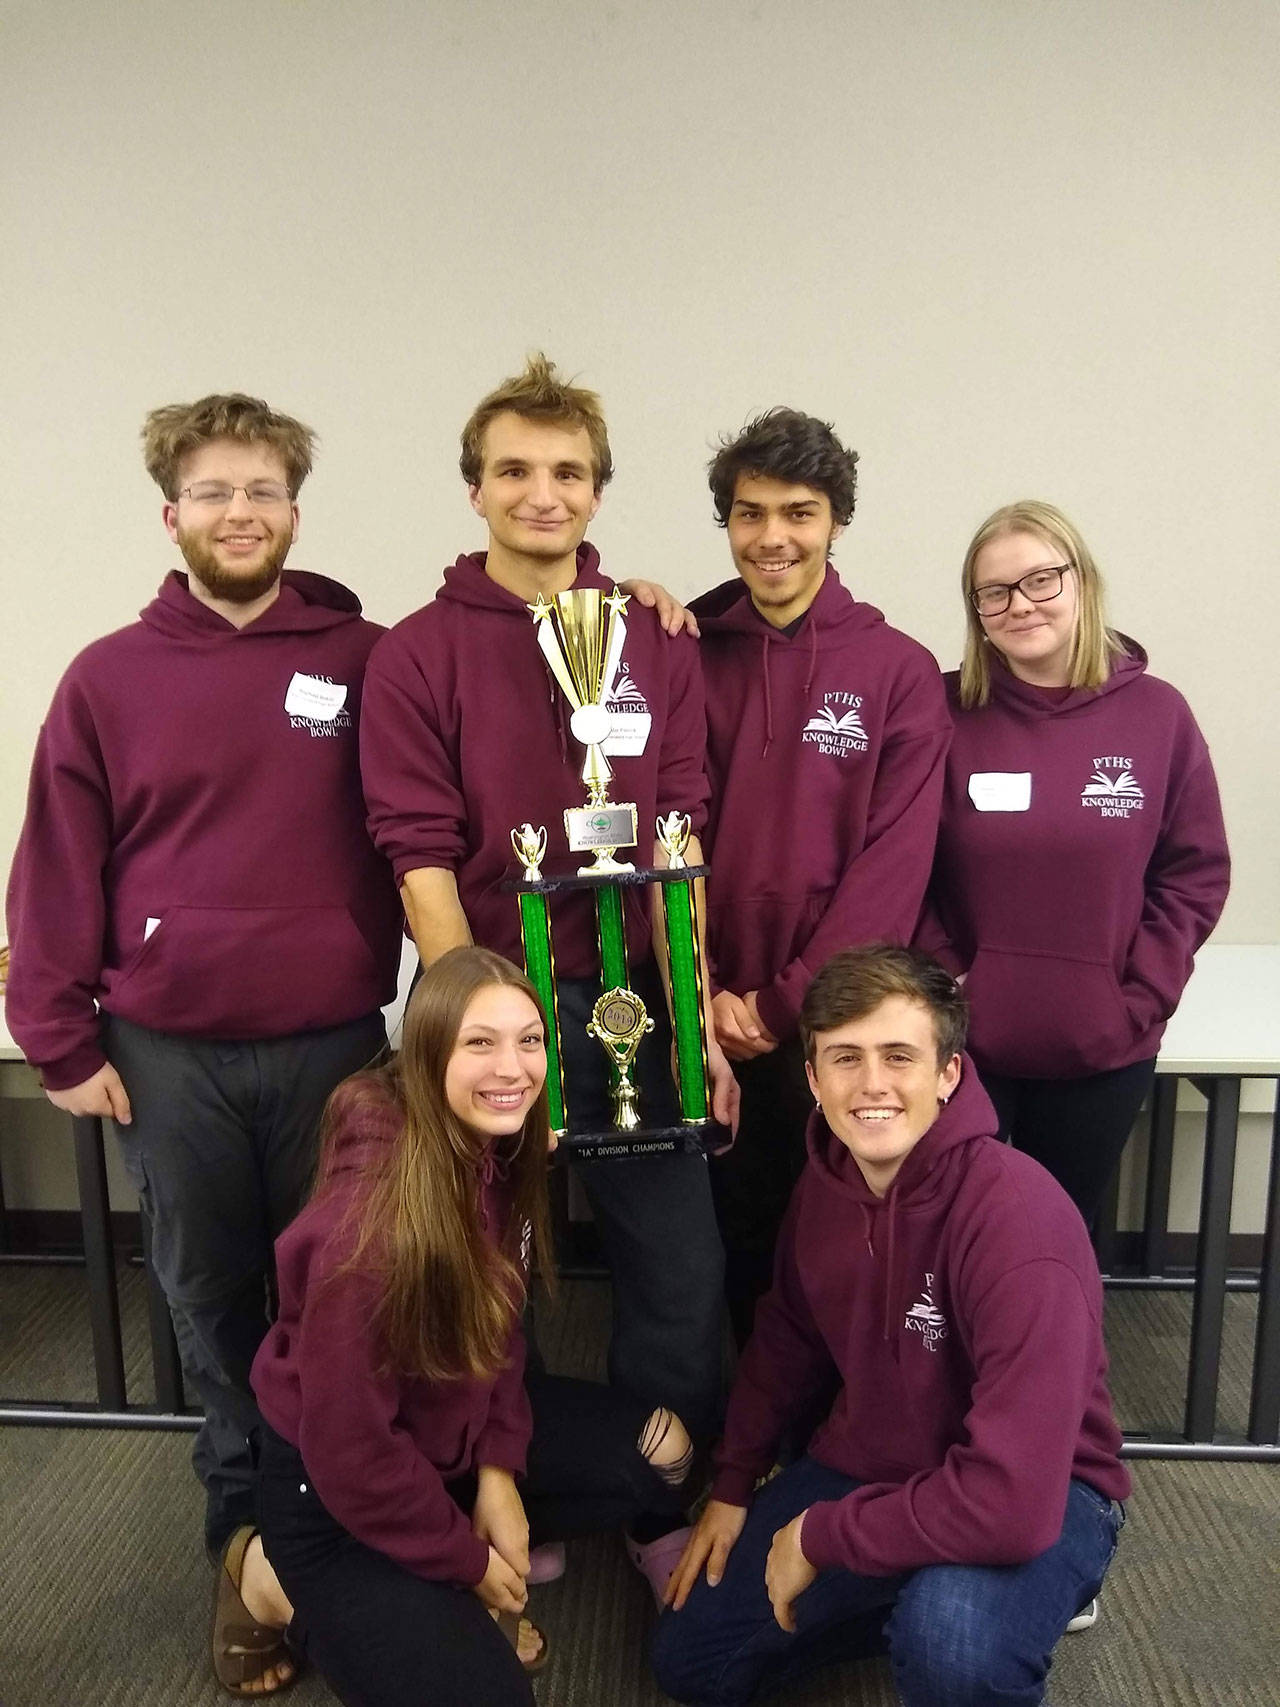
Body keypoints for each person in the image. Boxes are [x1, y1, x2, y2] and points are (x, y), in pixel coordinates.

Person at [4, 394, 403, 1689]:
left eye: (265, 491)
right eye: (216, 492)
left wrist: (627, 594)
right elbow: (58, 872)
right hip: (168, 1050)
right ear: (170, 512)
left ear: (296, 508)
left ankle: (349, 1526)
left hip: (333, 1039)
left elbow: (491, 706)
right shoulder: (108, 677)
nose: (243, 512)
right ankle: (246, 1546)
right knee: (215, 1300)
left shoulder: (364, 657)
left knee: (341, 1296)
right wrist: (57, 1039)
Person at [358, 356, 735, 1578]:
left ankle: (650, 1503)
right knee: (481, 1264)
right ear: (474, 490)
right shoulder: (417, 651)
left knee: (675, 1263)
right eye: (513, 471)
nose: (541, 494)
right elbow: (416, 848)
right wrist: (476, 1015)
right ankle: (505, 1491)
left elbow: (680, 822)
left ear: (597, 490)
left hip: (638, 997)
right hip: (489, 1001)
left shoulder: (653, 636)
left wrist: (696, 1006)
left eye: (566, 472)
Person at [652, 945, 1130, 1707]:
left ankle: (978, 1598)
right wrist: (733, 1484)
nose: (871, 1084)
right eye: (844, 1057)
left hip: (1044, 1487)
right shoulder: (826, 1184)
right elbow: (786, 1339)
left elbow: (1010, 1495)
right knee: (689, 1657)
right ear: (812, 1078)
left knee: (953, 1643)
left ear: (948, 1072)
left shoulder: (1018, 1221)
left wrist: (824, 1538)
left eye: (898, 1055)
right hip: (873, 1463)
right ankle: (914, 1583)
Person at [245, 946, 698, 1705]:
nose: (513, 1067)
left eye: (529, 1040)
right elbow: (351, 1447)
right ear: (425, 1053)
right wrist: (469, 1563)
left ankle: (438, 1573)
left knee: (669, 1455)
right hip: (335, 1492)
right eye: (478, 1042)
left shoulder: (498, 1145)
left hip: (446, 1436)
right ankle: (273, 1583)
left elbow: (500, 1336)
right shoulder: (369, 1227)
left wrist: (497, 1472)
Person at [691, 408, 950, 1344]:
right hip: (706, 1015)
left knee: (842, 1243)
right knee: (727, 1239)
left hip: (835, 1020)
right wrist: (707, 992)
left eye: (798, 512)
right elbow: (664, 832)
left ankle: (838, 1439)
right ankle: (739, 1445)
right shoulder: (684, 652)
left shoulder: (899, 671)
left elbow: (895, 864)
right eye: (749, 513)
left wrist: (784, 1002)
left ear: (836, 519)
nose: (772, 538)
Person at [918, 501, 1230, 1223]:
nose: (1018, 604)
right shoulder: (942, 712)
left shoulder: (1158, 716)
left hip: (1103, 1044)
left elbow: (1194, 872)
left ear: (1081, 581)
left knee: (1061, 1232)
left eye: (1039, 580)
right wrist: (948, 977)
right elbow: (907, 863)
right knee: (957, 1231)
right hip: (964, 1041)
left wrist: (1138, 995)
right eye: (993, 591)